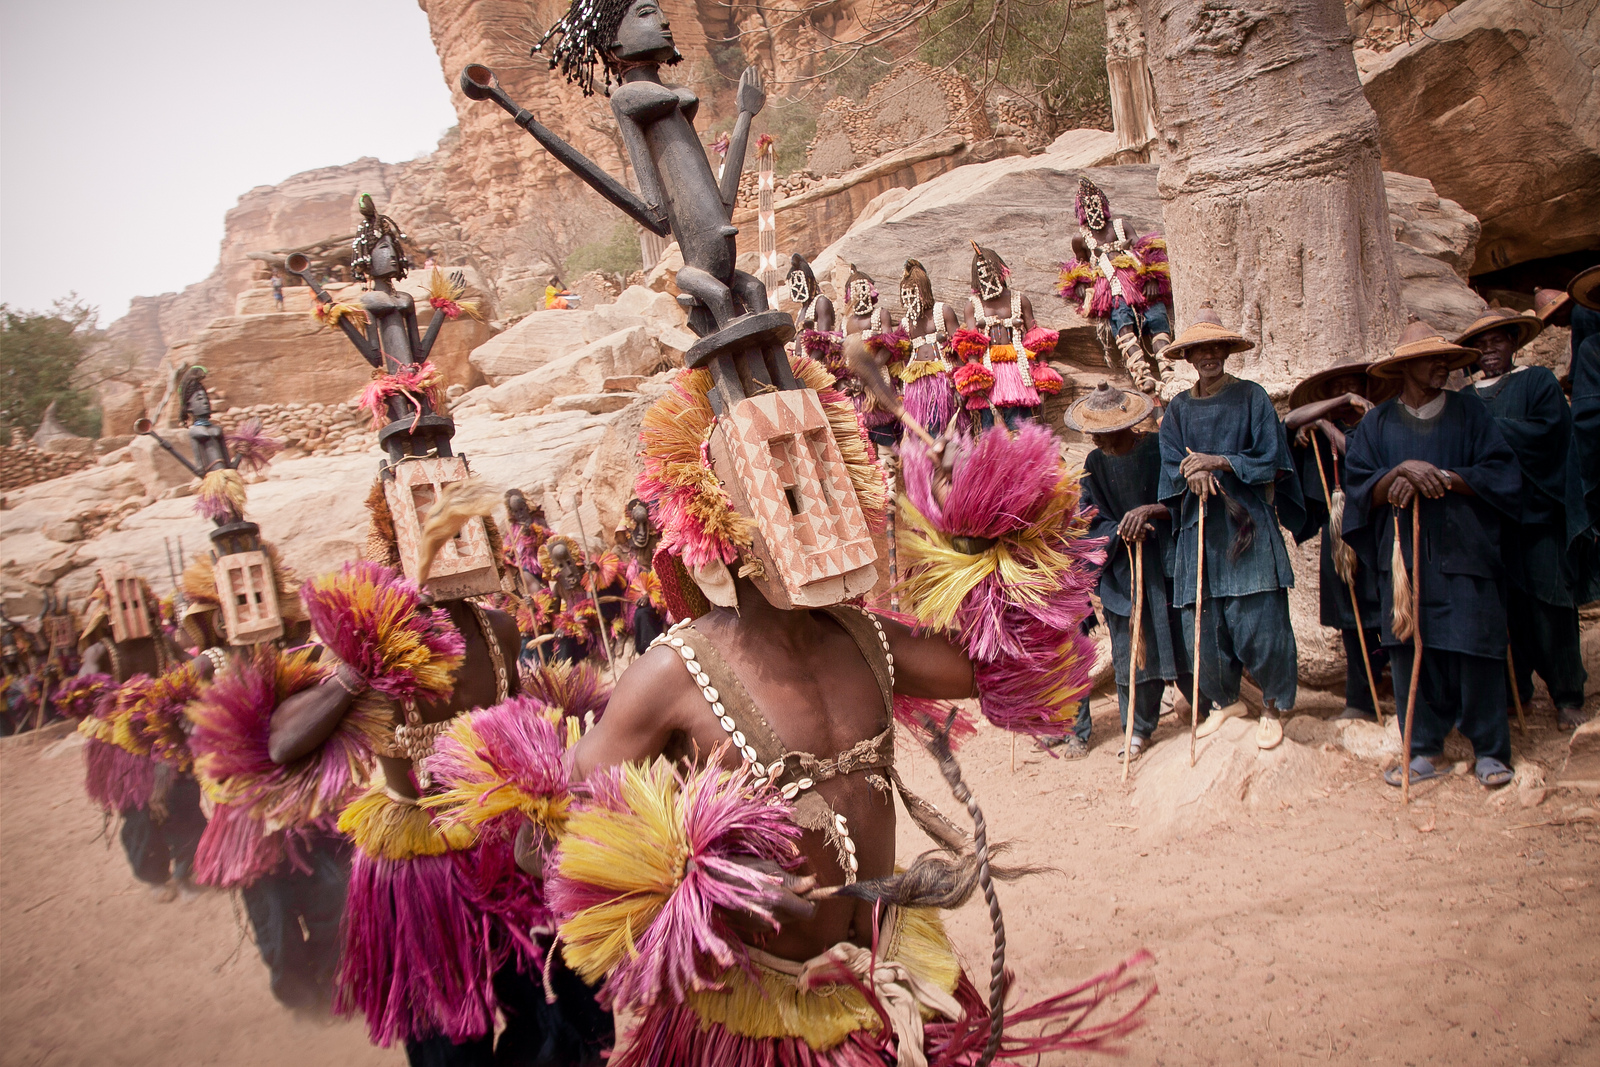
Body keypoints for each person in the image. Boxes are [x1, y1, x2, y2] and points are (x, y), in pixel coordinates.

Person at [1343, 320, 1521, 788]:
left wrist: (1443, 476)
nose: (1442, 364)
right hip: (1404, 557)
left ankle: (1490, 749)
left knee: (1475, 644)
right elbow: (1360, 487)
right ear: (1406, 367)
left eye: (1445, 358)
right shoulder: (1377, 423)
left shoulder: (1470, 414)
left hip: (1465, 550)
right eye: (1430, 359)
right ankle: (1421, 748)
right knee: (1408, 647)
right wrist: (1398, 473)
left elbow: (1501, 473)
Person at [1158, 309, 1306, 750]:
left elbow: (1272, 459)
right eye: (1200, 349)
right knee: (1200, 623)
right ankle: (1225, 701)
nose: (1209, 355)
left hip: (1246, 527)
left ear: (1226, 350)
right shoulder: (1179, 409)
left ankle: (1274, 706)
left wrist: (1219, 462)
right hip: (1199, 526)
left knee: (1260, 620)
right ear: (1188, 357)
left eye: (1215, 347)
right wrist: (1191, 473)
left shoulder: (1253, 398)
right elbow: (1169, 463)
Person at [1458, 306, 1589, 730]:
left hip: (1538, 515)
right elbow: (1460, 451)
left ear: (1514, 343)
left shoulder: (1538, 382)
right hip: (1490, 521)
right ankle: (1517, 693)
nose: (1489, 349)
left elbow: (1550, 433)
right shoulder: (1464, 400)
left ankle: (1568, 696)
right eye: (1480, 344)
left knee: (1551, 605)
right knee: (1504, 609)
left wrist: (1491, 430)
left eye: (1498, 340)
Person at [1066, 382, 1199, 761]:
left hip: (1167, 562)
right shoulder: (1093, 466)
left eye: (1108, 432)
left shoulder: (1158, 450)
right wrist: (1121, 529)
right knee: (1131, 652)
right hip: (1125, 570)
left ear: (1128, 425)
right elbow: (1089, 520)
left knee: (1183, 636)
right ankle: (1137, 730)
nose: (1100, 439)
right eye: (1096, 433)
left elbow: (1179, 497)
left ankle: (1205, 709)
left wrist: (1152, 512)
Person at [1283, 361, 1396, 722]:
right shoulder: (1321, 427)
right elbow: (1289, 420)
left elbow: (1357, 456)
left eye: (1354, 387)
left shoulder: (1380, 421)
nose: (1349, 396)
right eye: (1340, 389)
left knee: (1391, 610)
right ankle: (1361, 700)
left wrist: (1323, 425)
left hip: (1379, 529)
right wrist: (1325, 414)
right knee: (1352, 619)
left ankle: (1405, 689)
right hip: (1342, 535)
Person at [1057, 175, 1173, 394]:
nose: (1094, 212)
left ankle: (1168, 372)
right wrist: (1079, 284)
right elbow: (1080, 264)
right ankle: (1142, 374)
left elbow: (1145, 251)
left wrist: (1152, 278)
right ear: (1081, 213)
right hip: (1111, 288)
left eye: (1097, 206)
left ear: (1105, 206)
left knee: (1157, 316)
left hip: (1137, 281)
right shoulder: (1080, 239)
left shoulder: (1121, 226)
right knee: (1121, 320)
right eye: (1088, 208)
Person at [957, 243, 1062, 429]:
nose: (986, 276)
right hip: (989, 373)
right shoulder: (972, 305)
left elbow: (1036, 338)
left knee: (1021, 424)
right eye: (980, 272)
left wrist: (1043, 369)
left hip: (1018, 370)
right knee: (991, 429)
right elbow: (970, 342)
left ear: (1000, 269)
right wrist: (974, 371)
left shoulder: (1019, 299)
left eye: (990, 269)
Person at [896, 258, 962, 435]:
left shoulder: (943, 311)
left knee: (940, 423)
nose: (909, 299)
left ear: (923, 291)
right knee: (921, 426)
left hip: (942, 380)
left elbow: (959, 347)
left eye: (913, 293)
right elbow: (901, 355)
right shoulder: (905, 323)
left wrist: (961, 384)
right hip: (915, 385)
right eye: (905, 295)